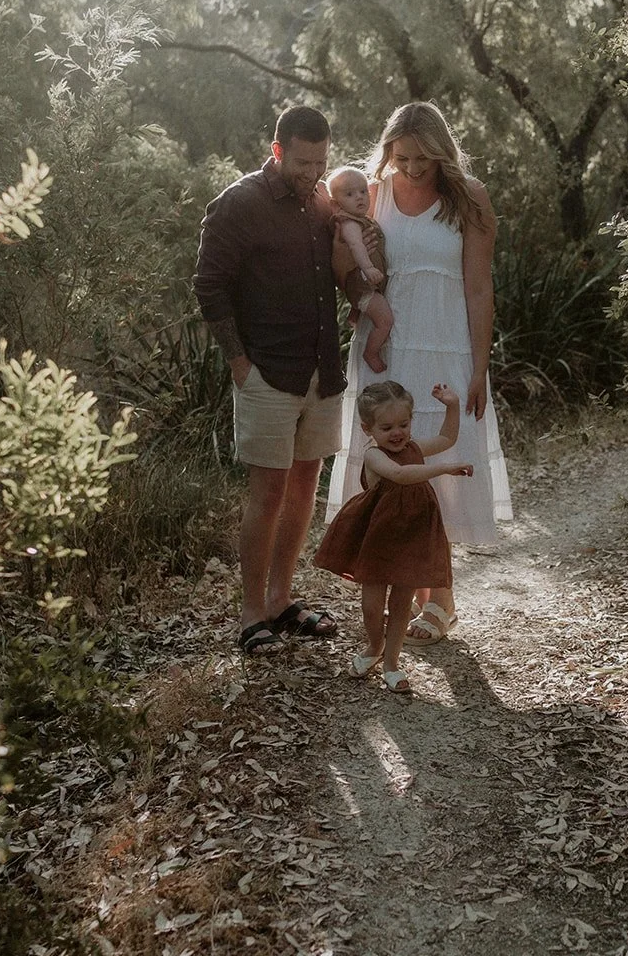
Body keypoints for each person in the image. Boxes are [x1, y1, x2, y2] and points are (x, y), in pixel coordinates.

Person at [326, 102, 513, 647]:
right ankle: (430, 600)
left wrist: (479, 368)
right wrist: (360, 297)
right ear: (387, 153)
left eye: (422, 159)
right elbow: (343, 264)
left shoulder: (470, 198)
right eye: (400, 157)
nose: (409, 169)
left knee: (435, 466)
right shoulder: (371, 193)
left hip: (447, 346)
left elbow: (479, 288)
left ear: (442, 154)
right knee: (392, 468)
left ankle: (440, 602)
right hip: (388, 349)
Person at [195, 106, 344, 655]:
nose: (313, 171)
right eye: (304, 161)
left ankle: (282, 599)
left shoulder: (322, 201)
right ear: (277, 150)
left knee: (306, 484)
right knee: (268, 492)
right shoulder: (241, 203)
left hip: (321, 371)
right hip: (267, 372)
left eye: (322, 161)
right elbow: (208, 285)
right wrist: (239, 363)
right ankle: (252, 613)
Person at [314, 381, 473, 693]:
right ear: (367, 428)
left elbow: (447, 437)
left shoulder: (413, 448)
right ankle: (374, 646)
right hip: (379, 537)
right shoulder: (374, 456)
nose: (397, 433)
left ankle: (392, 663)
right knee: (373, 604)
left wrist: (452, 405)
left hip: (413, 534)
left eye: (404, 424)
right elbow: (401, 475)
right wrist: (442, 469)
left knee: (402, 602)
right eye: (386, 427)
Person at [326, 166, 394, 374]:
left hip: (367, 286)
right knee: (385, 321)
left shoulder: (363, 219)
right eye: (349, 194)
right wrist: (368, 268)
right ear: (336, 204)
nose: (359, 197)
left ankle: (357, 314)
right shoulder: (349, 223)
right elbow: (356, 246)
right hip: (363, 285)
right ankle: (371, 353)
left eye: (363, 191)